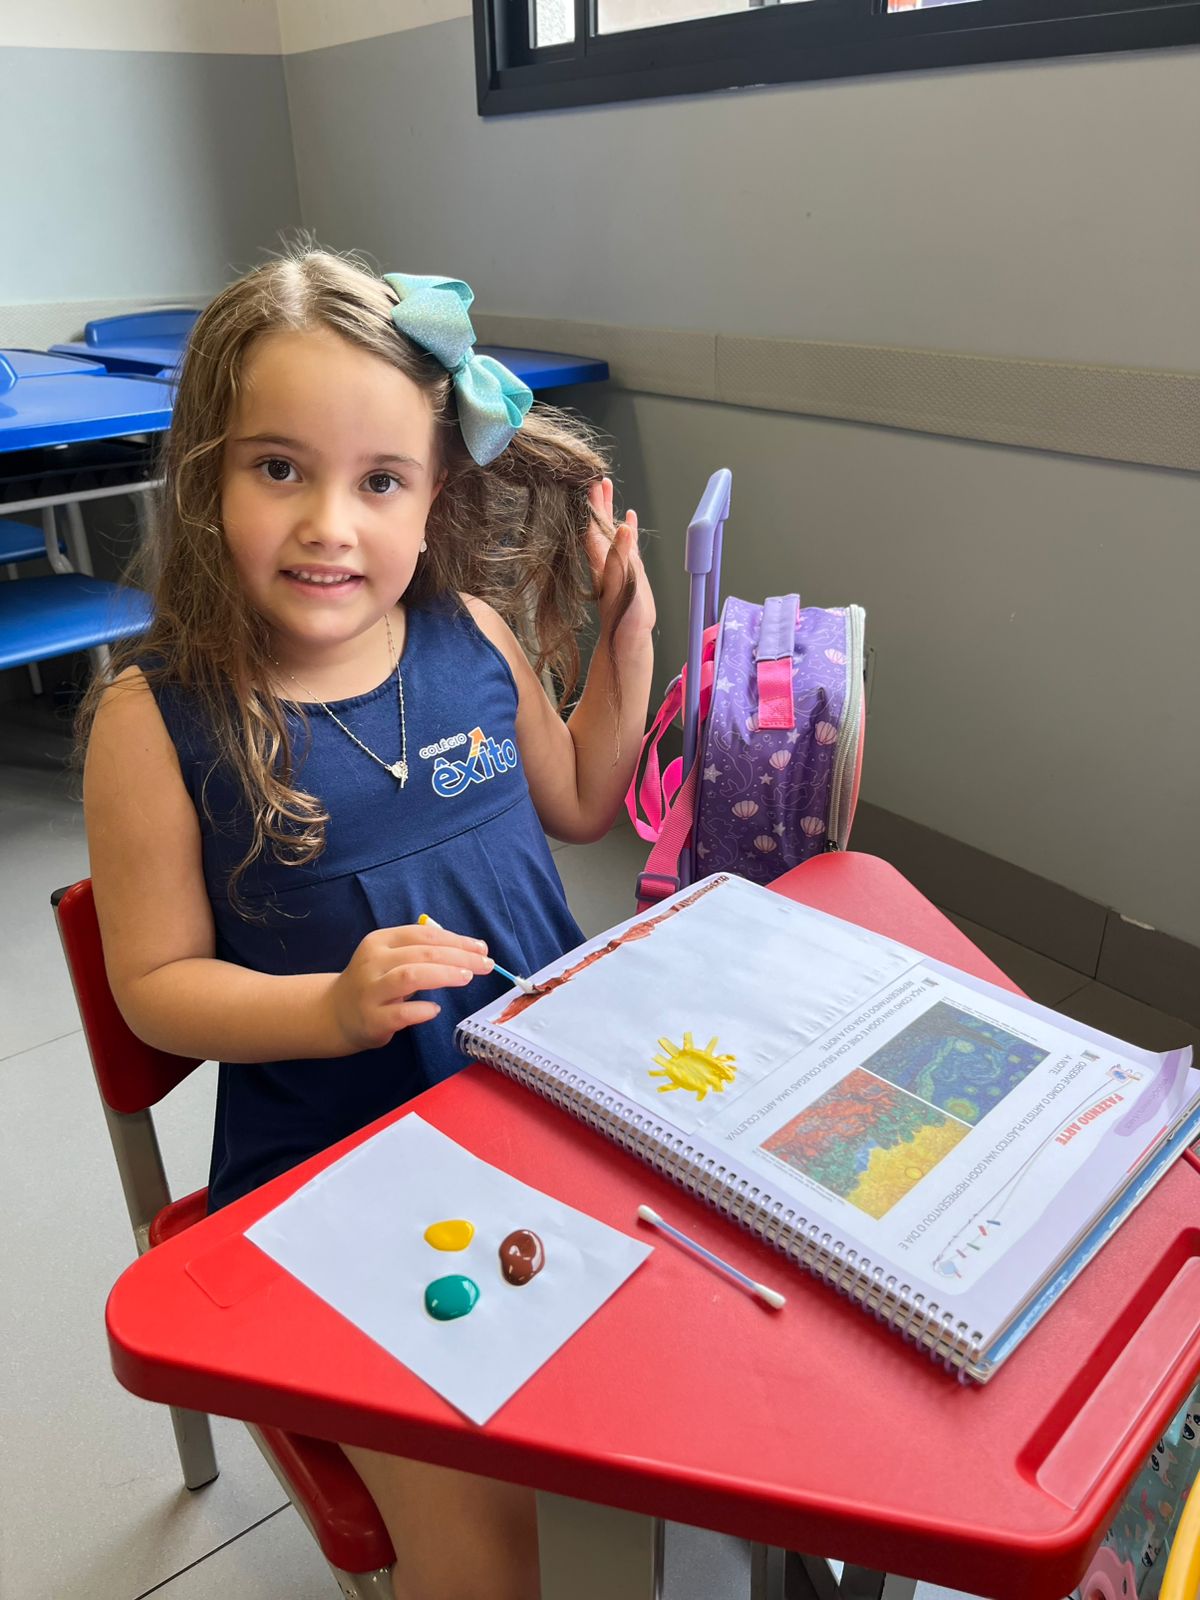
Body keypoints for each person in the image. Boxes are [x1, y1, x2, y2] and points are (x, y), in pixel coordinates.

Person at [80, 248, 655, 1600]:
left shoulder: (472, 634)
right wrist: (329, 1007)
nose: (330, 524)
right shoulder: (153, 718)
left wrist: (625, 636)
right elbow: (155, 984)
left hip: (543, 1116)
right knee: (479, 1528)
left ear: (434, 490)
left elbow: (584, 797)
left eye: (380, 480)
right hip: (335, 1174)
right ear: (206, 479)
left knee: (713, 1357)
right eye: (280, 468)